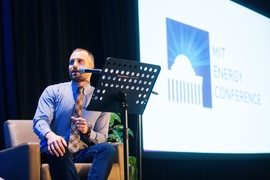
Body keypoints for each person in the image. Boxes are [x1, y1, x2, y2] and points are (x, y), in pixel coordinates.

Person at [33, 48, 116, 180]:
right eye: (71, 62)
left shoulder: (100, 99)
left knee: (108, 149)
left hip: (82, 151)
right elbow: (39, 121)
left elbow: (102, 137)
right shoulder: (53, 91)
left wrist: (88, 132)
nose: (74, 65)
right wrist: (51, 136)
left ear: (91, 67)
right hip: (55, 148)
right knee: (59, 147)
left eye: (80, 61)